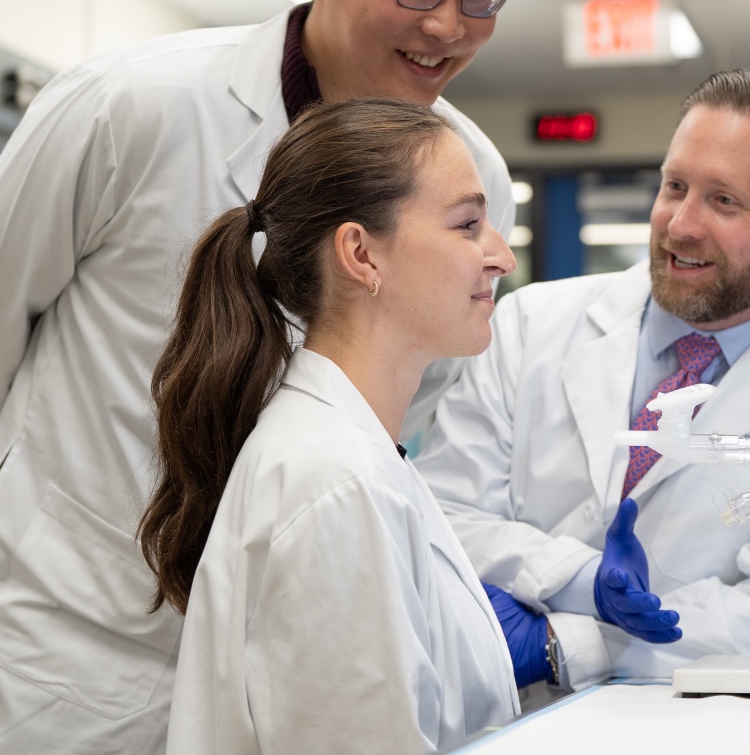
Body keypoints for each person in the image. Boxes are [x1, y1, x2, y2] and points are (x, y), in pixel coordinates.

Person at [0, 0, 524, 753]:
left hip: (275, 648)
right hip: (64, 645)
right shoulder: (131, 106)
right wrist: (38, 516)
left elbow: (402, 407)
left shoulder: (466, 175)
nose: (449, 25)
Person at [415, 68, 750, 689]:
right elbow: (442, 520)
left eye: (724, 201)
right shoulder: (531, 323)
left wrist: (565, 642)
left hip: (695, 727)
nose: (681, 225)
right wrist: (579, 576)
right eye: (675, 186)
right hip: (499, 707)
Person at [145, 100, 519, 754]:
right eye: (468, 225)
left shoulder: (353, 455)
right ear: (361, 254)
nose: (501, 257)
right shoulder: (337, 479)